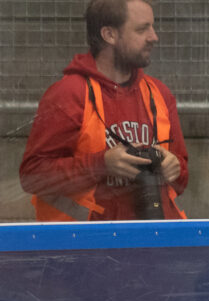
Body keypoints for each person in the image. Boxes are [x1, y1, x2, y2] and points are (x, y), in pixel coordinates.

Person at [19, 0, 188, 221]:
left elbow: (182, 178)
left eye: (152, 27)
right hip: (87, 245)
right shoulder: (70, 94)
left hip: (153, 239)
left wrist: (174, 168)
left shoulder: (159, 94)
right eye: (142, 29)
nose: (153, 37)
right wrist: (101, 165)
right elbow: (32, 176)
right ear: (109, 35)